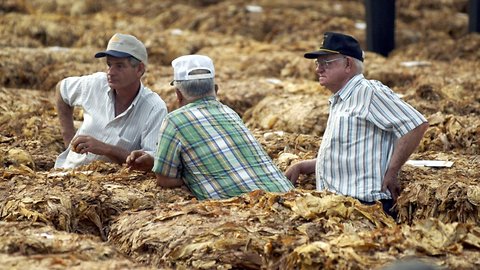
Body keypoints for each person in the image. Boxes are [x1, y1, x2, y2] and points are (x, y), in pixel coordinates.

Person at [285, 32, 429, 219]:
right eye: (317, 63)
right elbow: (350, 153)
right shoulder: (342, 99)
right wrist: (305, 166)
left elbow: (416, 125)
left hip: (366, 208)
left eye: (326, 63)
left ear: (348, 64)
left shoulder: (368, 92)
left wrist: (392, 172)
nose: (318, 69)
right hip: (342, 206)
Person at [126, 54, 294, 200]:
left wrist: (187, 175)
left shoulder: (174, 121)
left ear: (178, 94)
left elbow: (165, 180)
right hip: (286, 195)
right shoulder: (230, 112)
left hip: (244, 207)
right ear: (215, 89)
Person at [54, 33, 167, 169]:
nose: (111, 72)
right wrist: (68, 139)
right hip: (66, 173)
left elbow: (151, 162)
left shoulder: (154, 108)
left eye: (119, 66)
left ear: (139, 69)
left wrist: (106, 149)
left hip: (107, 184)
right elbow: (61, 89)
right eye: (109, 64)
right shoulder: (96, 84)